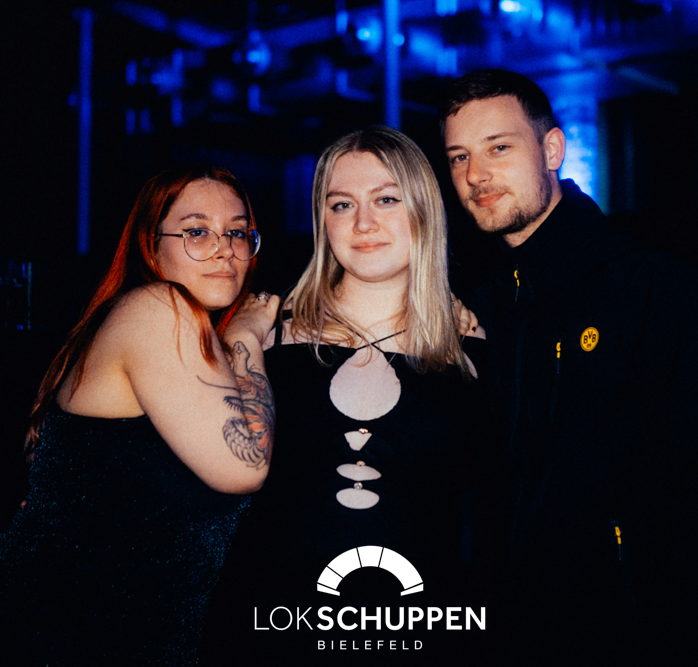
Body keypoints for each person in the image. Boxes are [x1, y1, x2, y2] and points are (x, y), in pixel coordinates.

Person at [440, 70, 698, 661]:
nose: (475, 174)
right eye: (459, 157)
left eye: (498, 148)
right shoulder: (483, 308)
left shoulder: (650, 288)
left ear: (552, 150)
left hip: (635, 636)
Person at [0, 166, 279, 666]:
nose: (224, 250)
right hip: (42, 637)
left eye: (237, 233)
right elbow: (246, 466)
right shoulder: (158, 307)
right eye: (197, 231)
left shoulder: (165, 331)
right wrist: (247, 337)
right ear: (151, 247)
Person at [204, 125, 490, 663]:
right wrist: (240, 341)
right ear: (322, 220)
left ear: (424, 209)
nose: (363, 223)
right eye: (341, 205)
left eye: (386, 199)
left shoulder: (473, 350)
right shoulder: (264, 338)